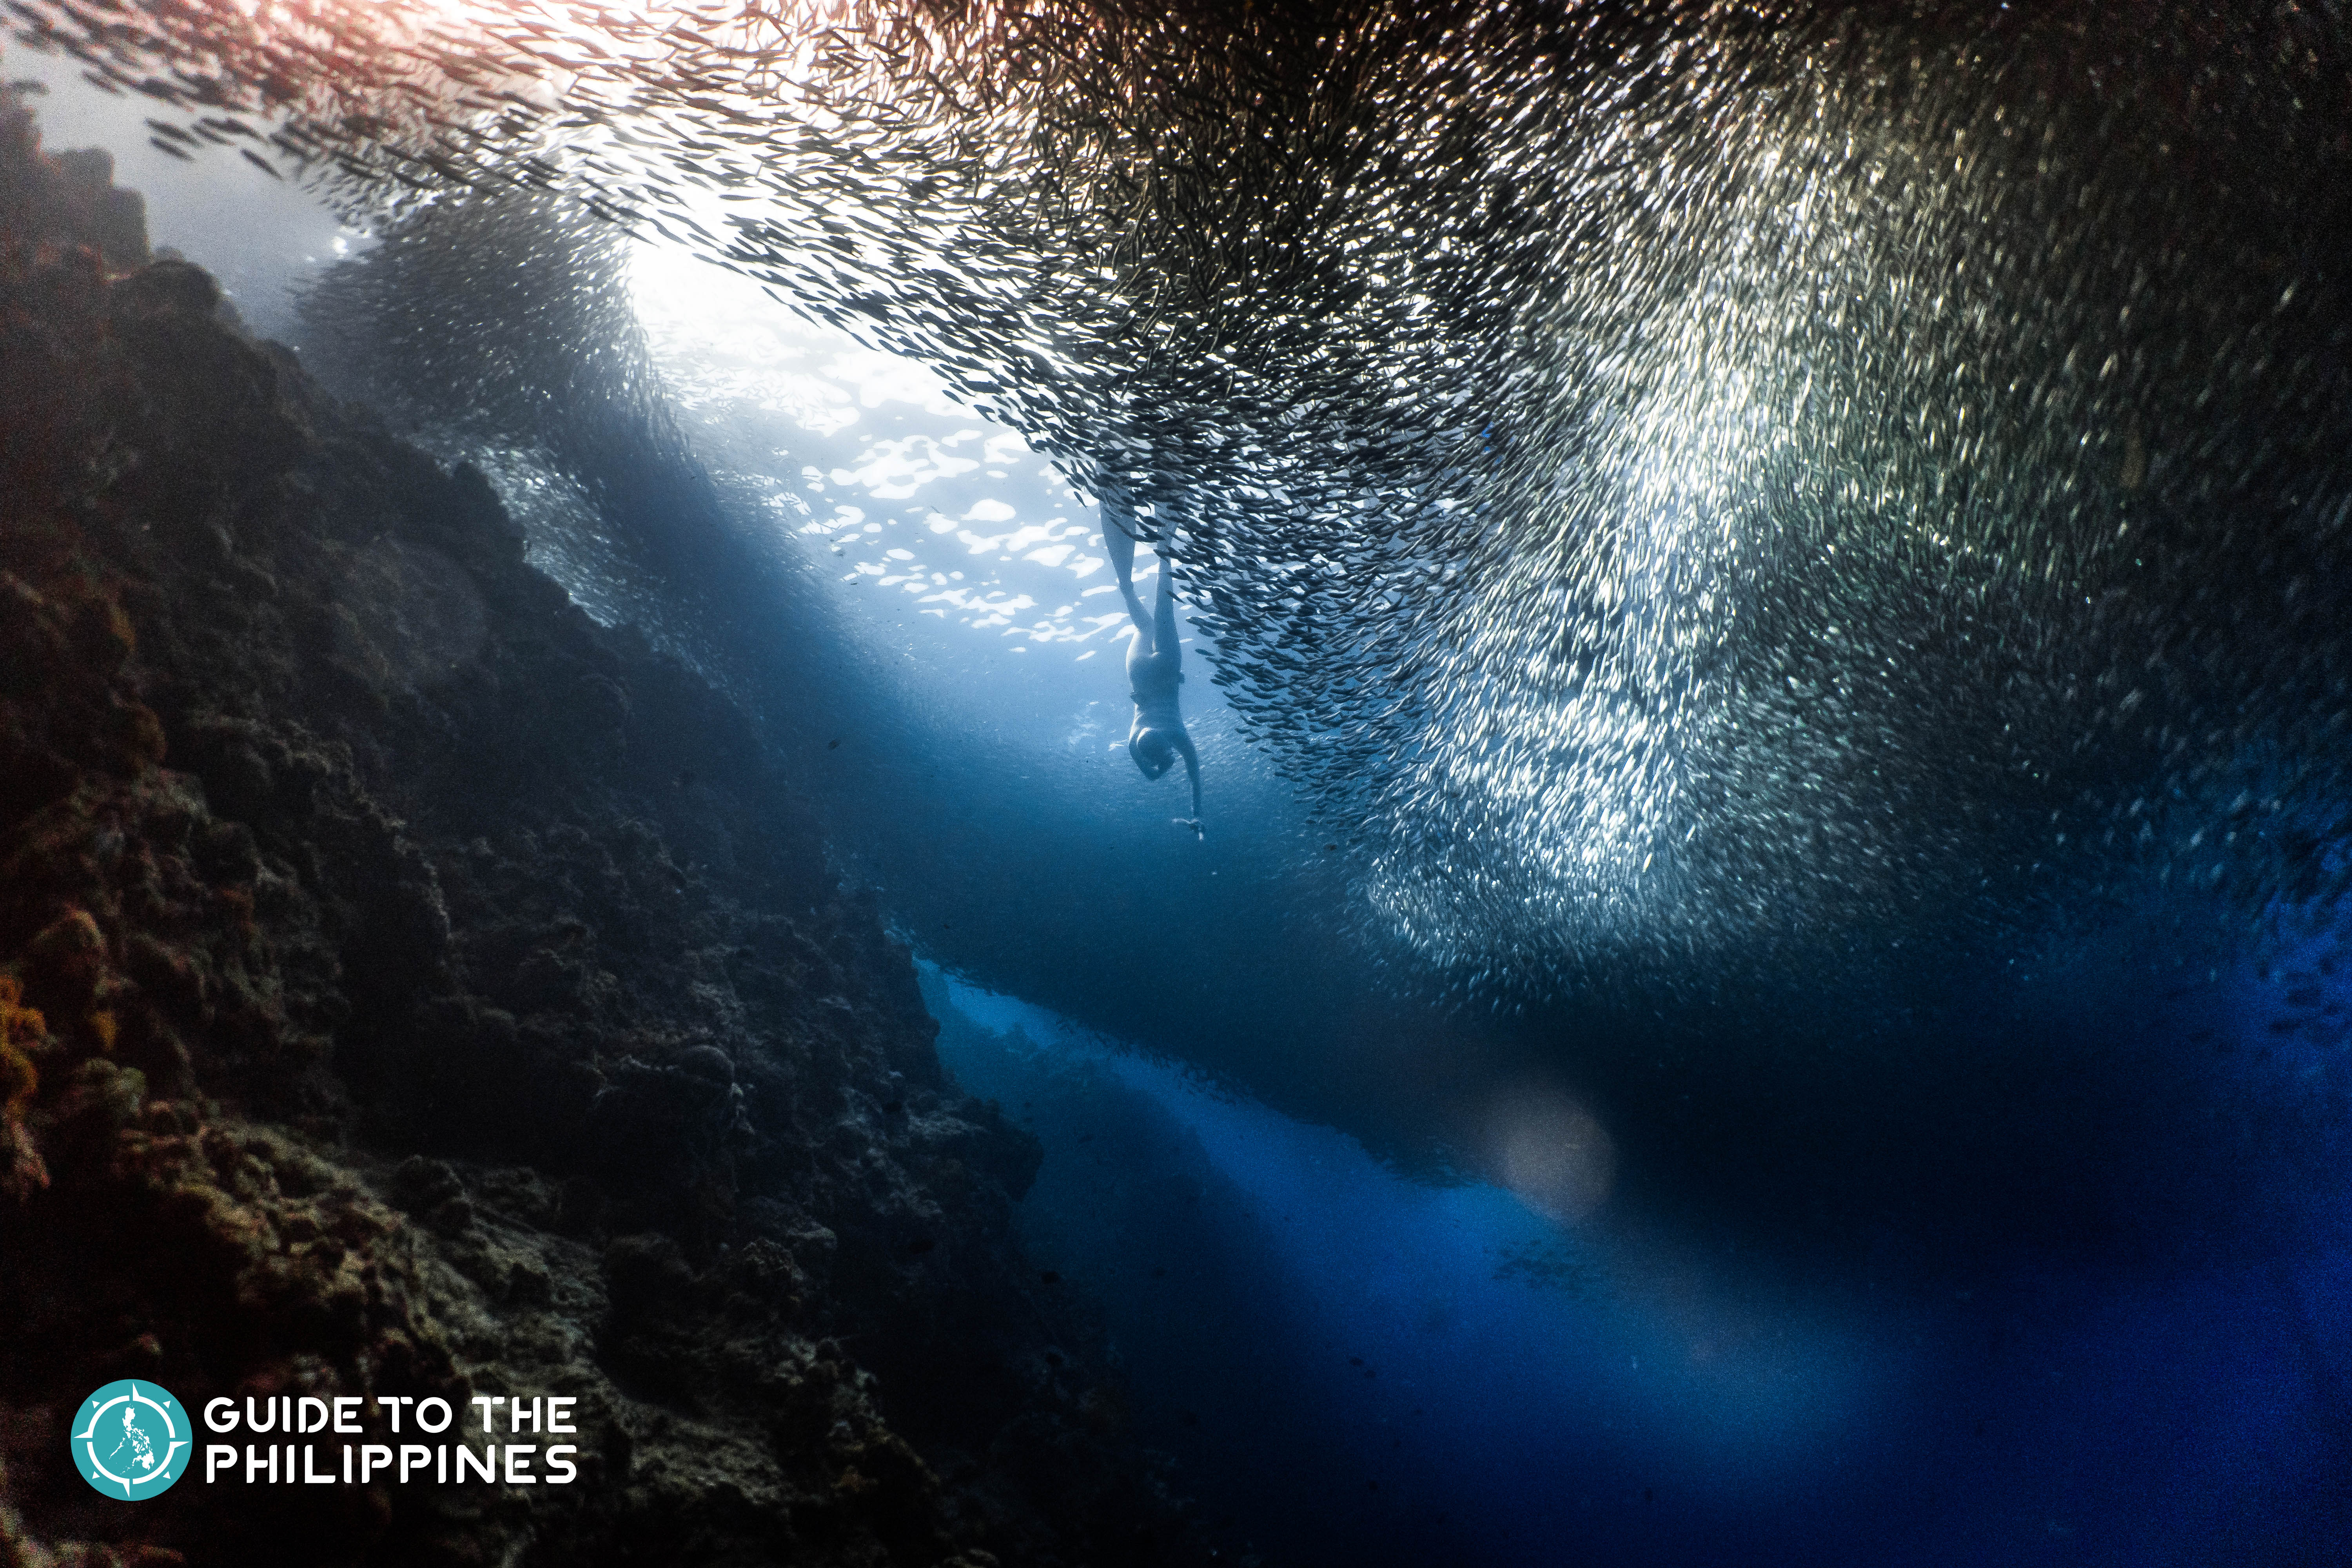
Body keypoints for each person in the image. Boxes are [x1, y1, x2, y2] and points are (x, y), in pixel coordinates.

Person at [1101, 494, 1202, 837]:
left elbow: (1194, 774)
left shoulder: (1176, 735)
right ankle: (1126, 583)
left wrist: (1196, 814)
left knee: (1163, 607)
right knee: (1144, 626)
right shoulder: (1134, 744)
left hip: (1167, 674)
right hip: (1141, 677)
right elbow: (1150, 771)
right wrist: (1160, 768)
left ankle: (1164, 550)